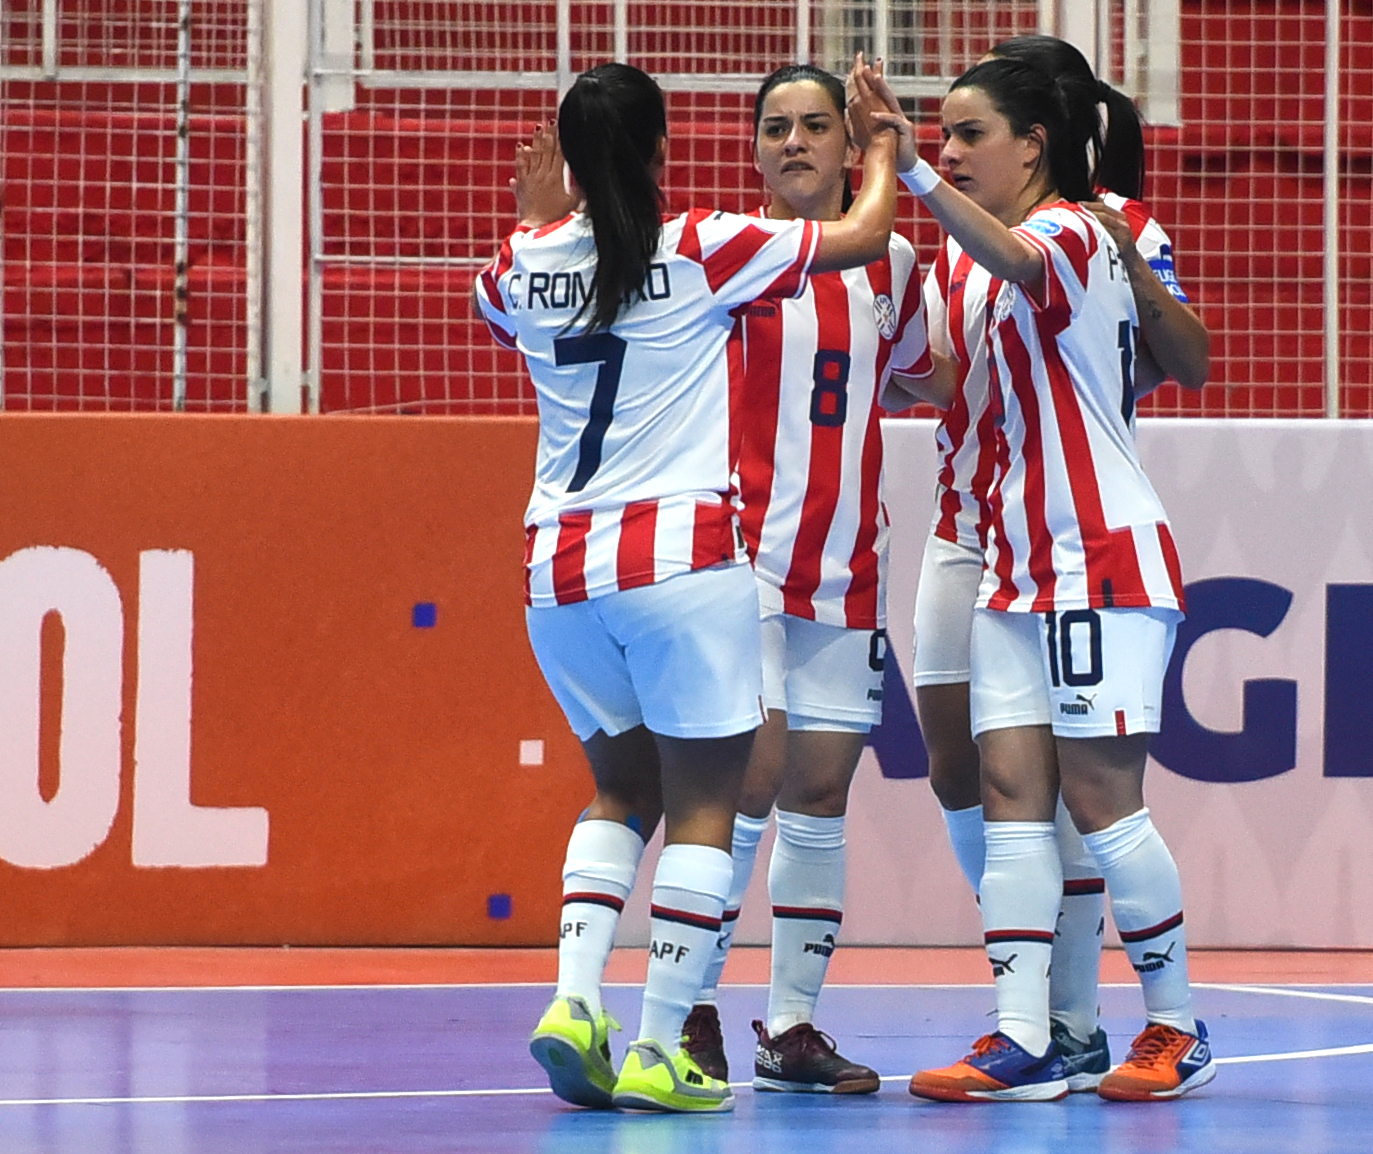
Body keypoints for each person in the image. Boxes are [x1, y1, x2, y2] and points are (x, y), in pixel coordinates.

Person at [473, 58, 899, 1114]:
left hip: (555, 573)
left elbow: (508, 298)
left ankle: (576, 1000)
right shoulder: (704, 245)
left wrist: (539, 220)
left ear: (567, 163)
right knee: (708, 805)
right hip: (679, 561)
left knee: (620, 791)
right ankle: (664, 1042)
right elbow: (862, 238)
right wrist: (882, 150)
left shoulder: (518, 264)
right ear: (665, 153)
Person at [863, 57, 1214, 1103]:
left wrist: (912, 175)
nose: (953, 150)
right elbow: (946, 373)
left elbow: (1028, 264)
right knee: (1013, 798)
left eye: (970, 134)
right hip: (1010, 561)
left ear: (1035, 145)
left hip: (1097, 552)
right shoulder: (978, 257)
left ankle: (1175, 1024)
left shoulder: (1073, 233)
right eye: (944, 136)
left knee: (1104, 800)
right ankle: (1029, 1036)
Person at [675, 62, 950, 1095]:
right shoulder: (733, 253)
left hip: (846, 569)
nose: (792, 142)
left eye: (814, 126)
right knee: (748, 775)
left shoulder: (894, 267)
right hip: (735, 560)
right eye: (775, 127)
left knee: (820, 791)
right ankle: (686, 1006)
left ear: (849, 146)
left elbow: (929, 369)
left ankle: (789, 1024)